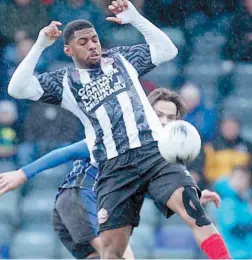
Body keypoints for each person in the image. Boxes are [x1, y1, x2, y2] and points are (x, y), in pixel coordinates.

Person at [7, 1, 230, 258]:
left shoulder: (122, 59)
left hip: (153, 154)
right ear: (68, 49)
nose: (92, 44)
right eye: (83, 42)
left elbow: (167, 50)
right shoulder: (65, 81)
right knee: (113, 252)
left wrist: (136, 18)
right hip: (114, 169)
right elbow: (17, 89)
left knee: (195, 214)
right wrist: (40, 45)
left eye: (94, 39)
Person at [0, 88, 221, 258]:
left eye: (170, 118)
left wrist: (195, 195)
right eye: (158, 114)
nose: (163, 121)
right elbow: (67, 152)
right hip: (81, 199)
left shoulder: (158, 156)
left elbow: (154, 190)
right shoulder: (119, 134)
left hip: (95, 211)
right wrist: (23, 173)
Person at [214, 166, 252, 259]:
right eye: (238, 178)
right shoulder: (228, 200)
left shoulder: (243, 200)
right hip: (234, 254)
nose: (241, 182)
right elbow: (232, 228)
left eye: (244, 178)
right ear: (231, 179)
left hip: (245, 252)